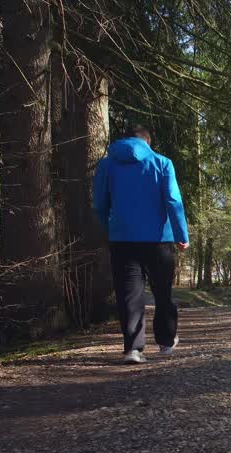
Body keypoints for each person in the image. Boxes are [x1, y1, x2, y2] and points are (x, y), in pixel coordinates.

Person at [93, 125, 190, 364]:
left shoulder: (107, 165)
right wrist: (181, 234)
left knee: (130, 296)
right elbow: (173, 200)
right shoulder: (162, 163)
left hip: (122, 240)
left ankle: (133, 350)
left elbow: (99, 205)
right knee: (162, 292)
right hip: (159, 240)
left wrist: (111, 229)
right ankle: (166, 342)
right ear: (148, 142)